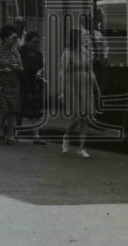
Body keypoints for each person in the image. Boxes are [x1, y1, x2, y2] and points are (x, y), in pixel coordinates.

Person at [57, 27, 99, 158]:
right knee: (77, 118)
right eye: (80, 36)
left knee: (85, 118)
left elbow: (90, 71)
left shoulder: (85, 52)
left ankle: (81, 148)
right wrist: (63, 91)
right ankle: (66, 136)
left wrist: (96, 87)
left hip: (86, 87)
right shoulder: (67, 53)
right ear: (74, 38)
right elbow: (62, 73)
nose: (82, 38)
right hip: (73, 87)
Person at [0, 24, 23, 144]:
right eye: (13, 38)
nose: (16, 40)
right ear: (5, 38)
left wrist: (17, 67)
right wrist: (2, 70)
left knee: (12, 110)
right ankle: (2, 129)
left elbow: (22, 68)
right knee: (4, 109)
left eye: (16, 38)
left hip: (14, 84)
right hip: (2, 85)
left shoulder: (15, 52)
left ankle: (10, 135)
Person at [17, 30, 47, 144]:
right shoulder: (20, 52)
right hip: (23, 83)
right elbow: (18, 68)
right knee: (19, 111)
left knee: (35, 111)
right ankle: (17, 134)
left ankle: (36, 136)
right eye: (34, 42)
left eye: (38, 42)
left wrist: (40, 71)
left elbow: (41, 66)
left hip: (35, 84)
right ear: (28, 41)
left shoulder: (38, 53)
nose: (37, 44)